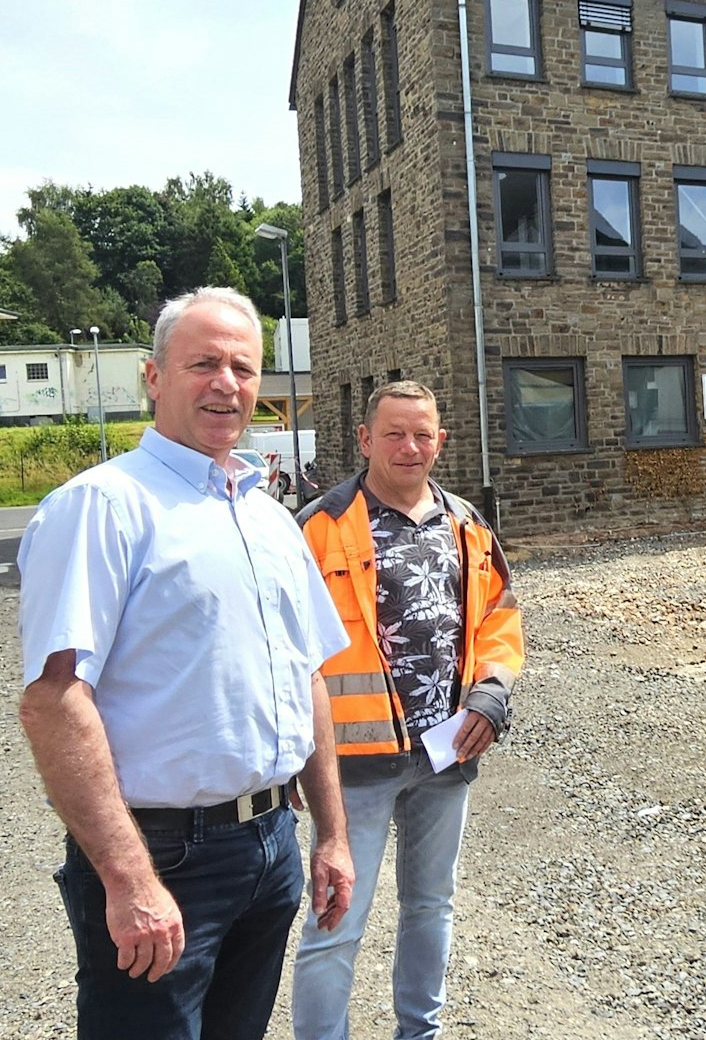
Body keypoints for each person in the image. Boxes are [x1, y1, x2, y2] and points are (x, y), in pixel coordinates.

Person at [16, 287, 356, 1040]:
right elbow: (54, 700)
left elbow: (308, 677)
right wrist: (129, 876)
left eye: (242, 366)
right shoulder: (103, 507)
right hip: (164, 853)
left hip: (270, 846)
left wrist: (330, 833)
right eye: (203, 362)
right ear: (154, 377)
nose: (226, 383)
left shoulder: (269, 518)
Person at [291, 380, 524, 1040]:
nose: (409, 446)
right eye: (394, 433)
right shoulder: (319, 527)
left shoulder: (468, 526)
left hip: (445, 756)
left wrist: (492, 692)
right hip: (351, 768)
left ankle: (420, 1033)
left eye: (422, 434)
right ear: (364, 440)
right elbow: (279, 650)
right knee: (335, 925)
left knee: (430, 907)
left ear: (440, 441)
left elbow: (502, 623)